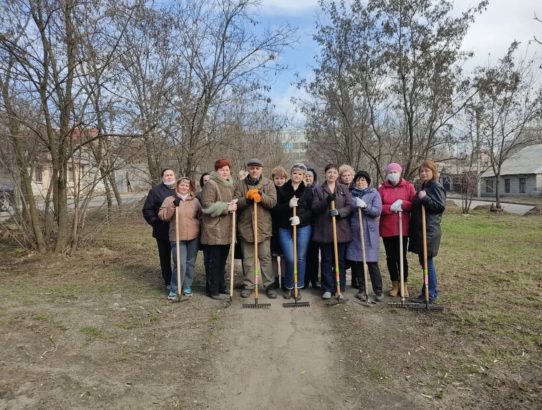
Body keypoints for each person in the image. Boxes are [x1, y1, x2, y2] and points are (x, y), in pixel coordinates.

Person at [234, 158, 278, 299]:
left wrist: (261, 196)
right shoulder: (240, 185)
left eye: (257, 168)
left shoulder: (268, 184)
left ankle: (269, 285)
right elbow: (235, 204)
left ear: (261, 170)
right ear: (248, 169)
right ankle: (249, 285)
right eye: (252, 168)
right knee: (248, 259)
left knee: (265, 258)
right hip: (246, 228)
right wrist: (246, 200)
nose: (254, 170)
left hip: (263, 228)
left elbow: (272, 203)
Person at [312, 164, 352, 300]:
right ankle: (327, 288)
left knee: (339, 261)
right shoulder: (318, 190)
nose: (332, 175)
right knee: (326, 260)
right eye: (329, 172)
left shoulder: (344, 189)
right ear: (325, 174)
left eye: (334, 172)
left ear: (337, 175)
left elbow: (350, 206)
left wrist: (339, 212)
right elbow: (315, 208)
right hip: (324, 231)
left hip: (340, 230)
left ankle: (339, 287)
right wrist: (326, 201)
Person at [409, 160, 446, 303]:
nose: (423, 173)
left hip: (429, 231)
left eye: (427, 171)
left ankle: (430, 294)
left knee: (427, 262)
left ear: (433, 172)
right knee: (424, 262)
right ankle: (426, 291)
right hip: (421, 230)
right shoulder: (424, 187)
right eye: (421, 171)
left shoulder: (435, 187)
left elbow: (439, 207)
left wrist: (425, 198)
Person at [158, 177, 201, 300]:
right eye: (182, 185)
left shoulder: (195, 201)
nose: (184, 187)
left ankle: (187, 286)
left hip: (193, 236)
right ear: (177, 186)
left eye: (187, 186)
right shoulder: (169, 199)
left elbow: (200, 216)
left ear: (190, 187)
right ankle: (175, 288)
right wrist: (172, 206)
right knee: (180, 264)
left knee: (190, 263)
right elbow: (162, 216)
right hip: (177, 237)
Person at [274, 163, 313, 300]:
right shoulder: (282, 190)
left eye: (300, 174)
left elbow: (311, 211)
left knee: (301, 258)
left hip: (303, 228)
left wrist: (300, 218)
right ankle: (289, 285)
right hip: (285, 228)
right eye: (295, 173)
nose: (297, 176)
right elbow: (276, 209)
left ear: (303, 176)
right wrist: (288, 205)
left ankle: (298, 287)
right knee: (290, 258)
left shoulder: (308, 191)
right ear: (291, 174)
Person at [200, 160, 237, 300]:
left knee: (222, 261)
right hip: (214, 229)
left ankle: (221, 286)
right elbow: (206, 205)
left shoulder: (230, 185)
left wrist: (234, 204)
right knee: (214, 262)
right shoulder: (211, 184)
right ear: (216, 171)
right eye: (222, 170)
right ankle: (212, 289)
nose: (225, 172)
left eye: (227, 169)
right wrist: (227, 207)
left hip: (226, 229)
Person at [378, 162, 416, 297]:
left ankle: (404, 284)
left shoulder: (409, 187)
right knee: (391, 257)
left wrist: (403, 203)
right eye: (390, 172)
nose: (393, 174)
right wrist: (390, 208)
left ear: (400, 173)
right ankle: (394, 284)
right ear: (387, 174)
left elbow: (414, 204)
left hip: (402, 228)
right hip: (387, 228)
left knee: (402, 257)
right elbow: (377, 207)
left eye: (395, 172)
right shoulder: (382, 189)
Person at [346, 171, 384, 301]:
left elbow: (377, 211)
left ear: (367, 181)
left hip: (369, 232)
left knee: (371, 262)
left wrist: (365, 206)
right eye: (358, 180)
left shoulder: (374, 194)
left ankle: (378, 290)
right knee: (359, 262)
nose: (360, 182)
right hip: (356, 232)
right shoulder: (351, 194)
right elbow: (348, 210)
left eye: (363, 180)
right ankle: (362, 289)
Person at [142, 168, 176, 290]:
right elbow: (147, 210)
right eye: (167, 175)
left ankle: (178, 279)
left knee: (178, 256)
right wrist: (155, 222)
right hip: (162, 231)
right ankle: (168, 280)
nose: (169, 177)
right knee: (165, 257)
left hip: (178, 230)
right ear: (162, 177)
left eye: (171, 175)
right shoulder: (155, 191)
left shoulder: (180, 189)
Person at [271, 166, 288, 290]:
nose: (279, 181)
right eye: (277, 178)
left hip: (284, 226)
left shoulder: (288, 191)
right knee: (273, 256)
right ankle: (275, 279)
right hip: (272, 226)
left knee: (283, 256)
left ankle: (283, 279)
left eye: (282, 178)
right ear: (273, 179)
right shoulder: (270, 190)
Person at [304, 166, 320, 289]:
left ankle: (314, 279)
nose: (308, 178)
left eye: (310, 176)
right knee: (303, 254)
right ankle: (304, 279)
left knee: (313, 254)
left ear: (314, 178)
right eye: (306, 176)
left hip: (315, 225)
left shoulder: (318, 190)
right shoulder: (300, 189)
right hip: (302, 225)